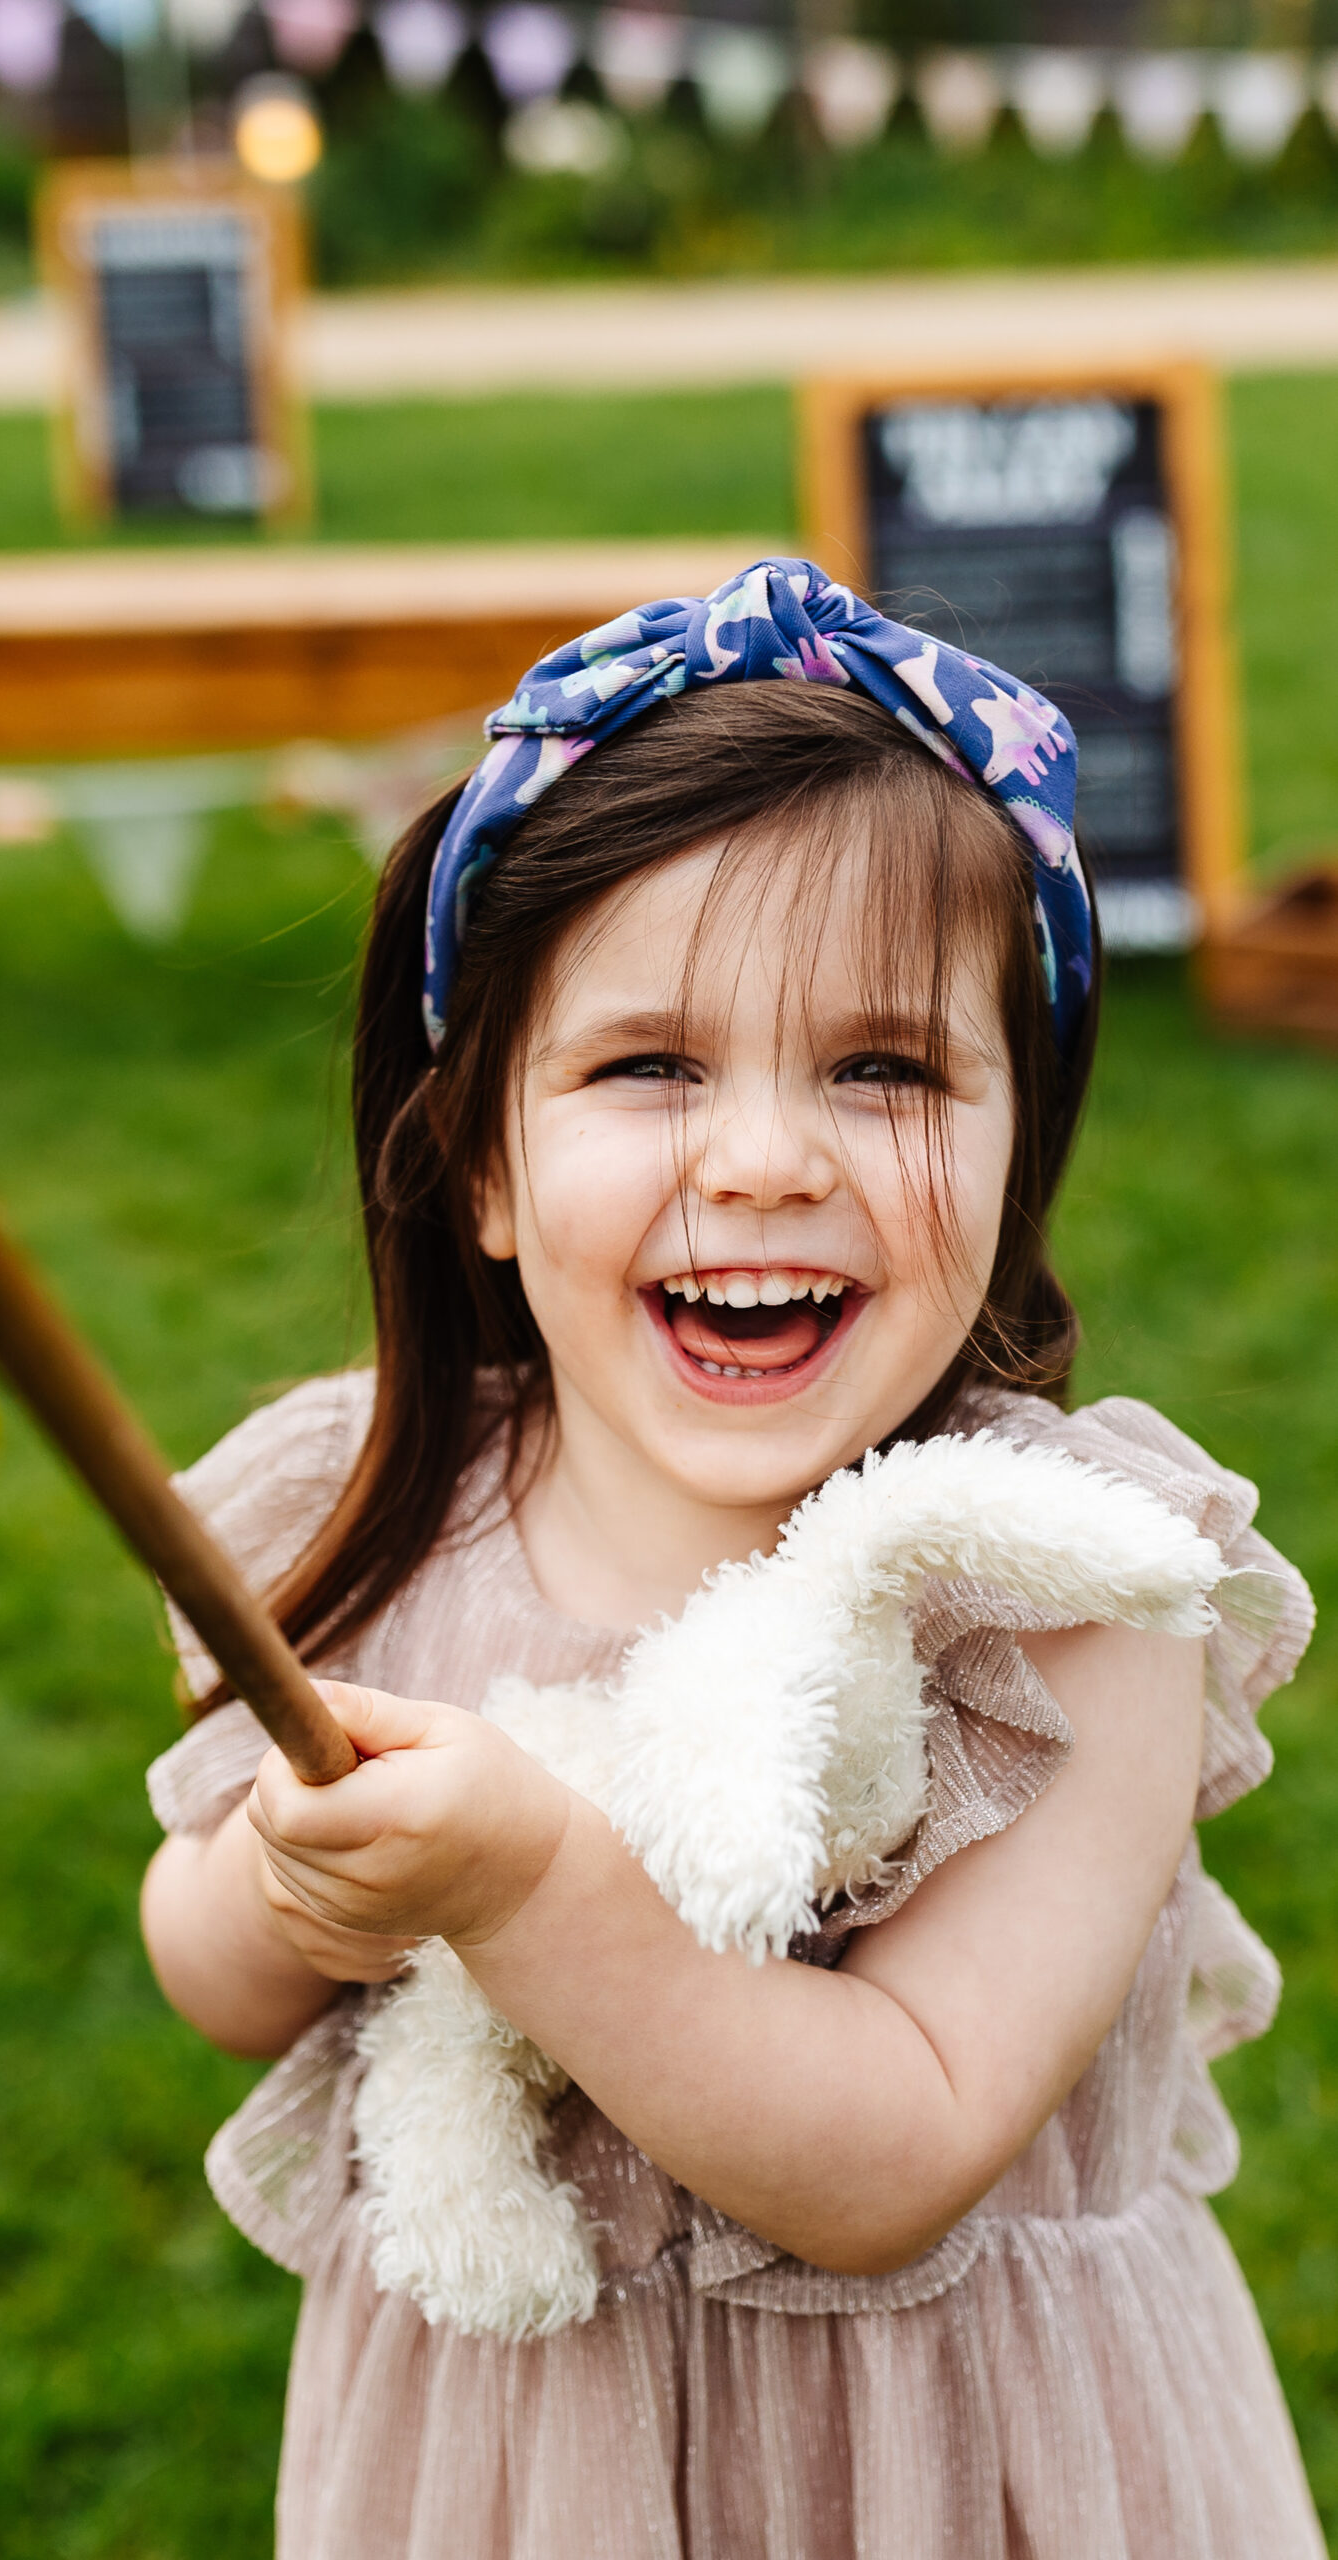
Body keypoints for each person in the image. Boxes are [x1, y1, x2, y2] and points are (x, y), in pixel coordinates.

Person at [139, 560, 1321, 2558]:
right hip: (513, 2481)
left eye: (880, 1067)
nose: (764, 1156)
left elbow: (891, 2153)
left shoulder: (1068, 1596)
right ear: (485, 1166)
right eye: (649, 1065)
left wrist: (520, 1879)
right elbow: (216, 1969)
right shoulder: (371, 1509)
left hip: (967, 2477)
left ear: (1011, 1140)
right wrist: (283, 1872)